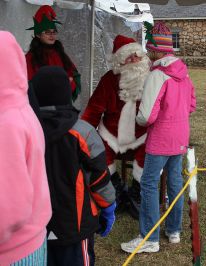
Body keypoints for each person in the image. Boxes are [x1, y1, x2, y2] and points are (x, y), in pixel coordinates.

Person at [120, 22, 196, 254]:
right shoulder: (183, 72)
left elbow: (146, 115)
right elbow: (192, 104)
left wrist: (140, 120)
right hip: (181, 135)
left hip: (161, 138)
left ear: (154, 49)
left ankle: (149, 237)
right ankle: (174, 231)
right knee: (174, 183)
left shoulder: (157, 74)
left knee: (149, 185)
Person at [31, 66, 116, 266]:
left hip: (35, 226)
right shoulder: (83, 132)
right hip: (76, 226)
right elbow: (99, 178)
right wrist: (108, 207)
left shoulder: (25, 129)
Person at [82, 35, 150, 218]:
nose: (135, 60)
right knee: (98, 150)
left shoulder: (151, 78)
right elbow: (94, 109)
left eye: (138, 55)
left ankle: (138, 192)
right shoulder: (108, 80)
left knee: (148, 151)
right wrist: (84, 134)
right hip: (111, 133)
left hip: (142, 134)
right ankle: (115, 188)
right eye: (130, 56)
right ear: (120, 61)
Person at [0, 31, 52, 265]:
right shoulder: (22, 107)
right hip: (31, 237)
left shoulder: (7, 122)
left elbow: (9, 209)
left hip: (13, 248)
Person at [26, 5, 81, 101]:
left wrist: (69, 84)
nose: (52, 35)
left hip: (62, 109)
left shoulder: (61, 55)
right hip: (39, 109)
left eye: (54, 32)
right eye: (47, 32)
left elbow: (75, 78)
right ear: (38, 34)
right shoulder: (29, 58)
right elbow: (26, 85)